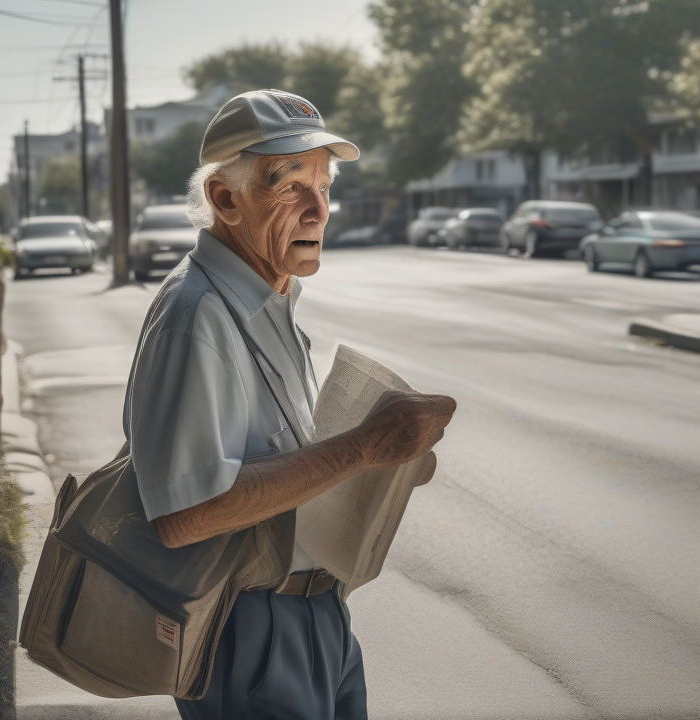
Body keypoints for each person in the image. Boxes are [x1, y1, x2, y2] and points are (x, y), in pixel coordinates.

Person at [123, 89, 456, 720]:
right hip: (251, 627)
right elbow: (186, 514)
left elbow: (284, 470)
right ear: (225, 198)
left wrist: (386, 461)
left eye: (324, 187)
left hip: (315, 615)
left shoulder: (265, 300)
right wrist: (361, 448)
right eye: (288, 185)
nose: (317, 210)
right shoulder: (198, 316)